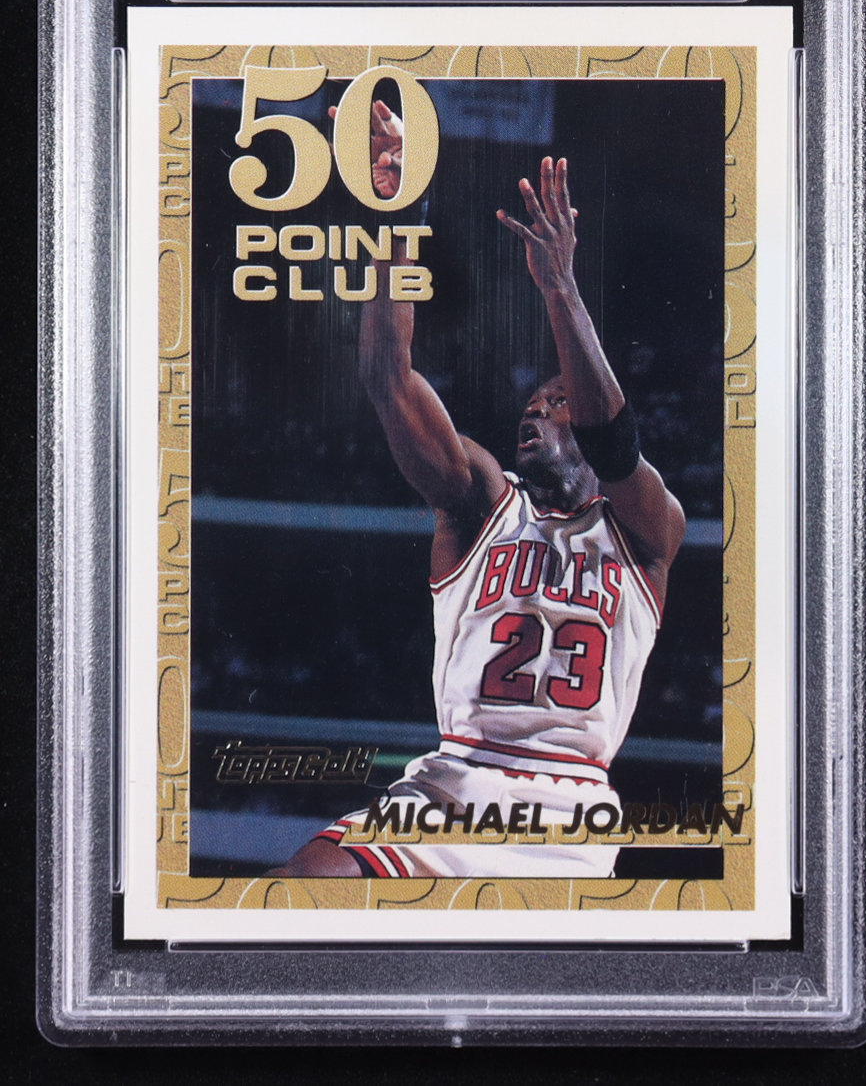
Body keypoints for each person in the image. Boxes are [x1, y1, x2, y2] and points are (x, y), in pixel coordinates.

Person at [270, 118, 684, 879]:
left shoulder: (647, 529)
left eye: (555, 402)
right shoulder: (484, 502)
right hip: (451, 782)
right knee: (294, 893)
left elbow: (614, 443)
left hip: (566, 811)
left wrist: (558, 285)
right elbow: (388, 377)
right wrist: (396, 214)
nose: (534, 409)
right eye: (531, 402)